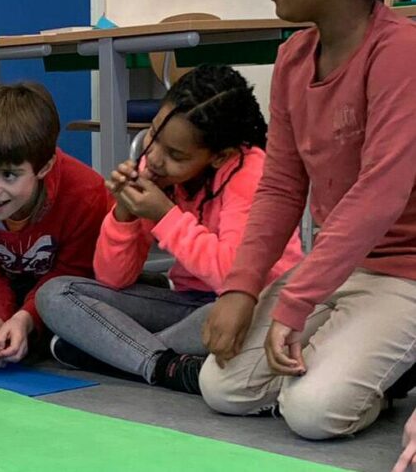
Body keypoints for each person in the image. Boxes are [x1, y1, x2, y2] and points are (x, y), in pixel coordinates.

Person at [199, 0, 416, 440]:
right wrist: (242, 288)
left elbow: (381, 194)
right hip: (338, 268)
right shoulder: (295, 59)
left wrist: (294, 306)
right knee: (222, 387)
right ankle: (350, 347)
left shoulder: (399, 53)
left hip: (405, 275)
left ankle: (390, 368)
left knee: (313, 412)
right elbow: (280, 187)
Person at [35, 65, 303, 394]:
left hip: (246, 305)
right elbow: (113, 279)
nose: (156, 159)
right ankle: (164, 363)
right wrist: (124, 213)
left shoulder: (249, 173)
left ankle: (123, 355)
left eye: (175, 154)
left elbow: (233, 278)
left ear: (220, 157)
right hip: (186, 301)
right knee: (56, 294)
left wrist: (165, 215)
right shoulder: (159, 171)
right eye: (153, 136)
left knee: (215, 318)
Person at [0, 82, 112, 368]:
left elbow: (72, 271)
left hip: (72, 285)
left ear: (44, 167)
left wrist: (25, 319)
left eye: (9, 175)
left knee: (65, 315)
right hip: (17, 284)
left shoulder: (87, 196)